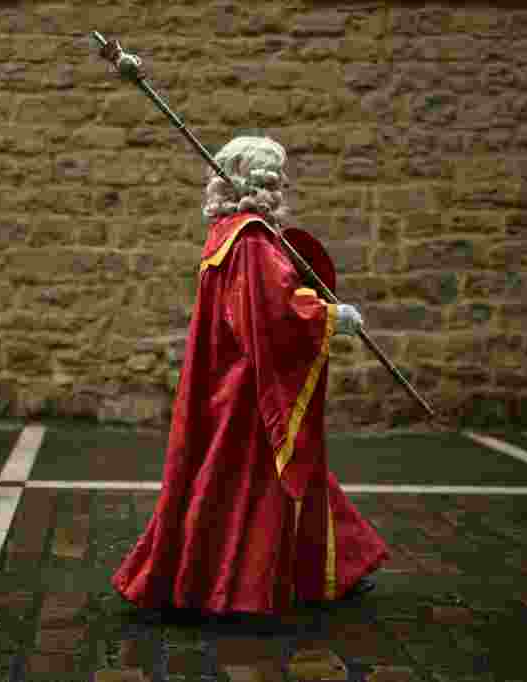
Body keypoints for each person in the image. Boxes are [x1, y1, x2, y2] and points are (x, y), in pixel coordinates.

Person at [112, 136, 390, 616]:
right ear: (263, 180)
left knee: (283, 474)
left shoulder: (228, 234)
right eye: (279, 174)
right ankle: (230, 586)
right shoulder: (252, 240)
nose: (284, 182)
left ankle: (336, 567)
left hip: (225, 378)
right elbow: (272, 313)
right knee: (250, 484)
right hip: (247, 387)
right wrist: (329, 317)